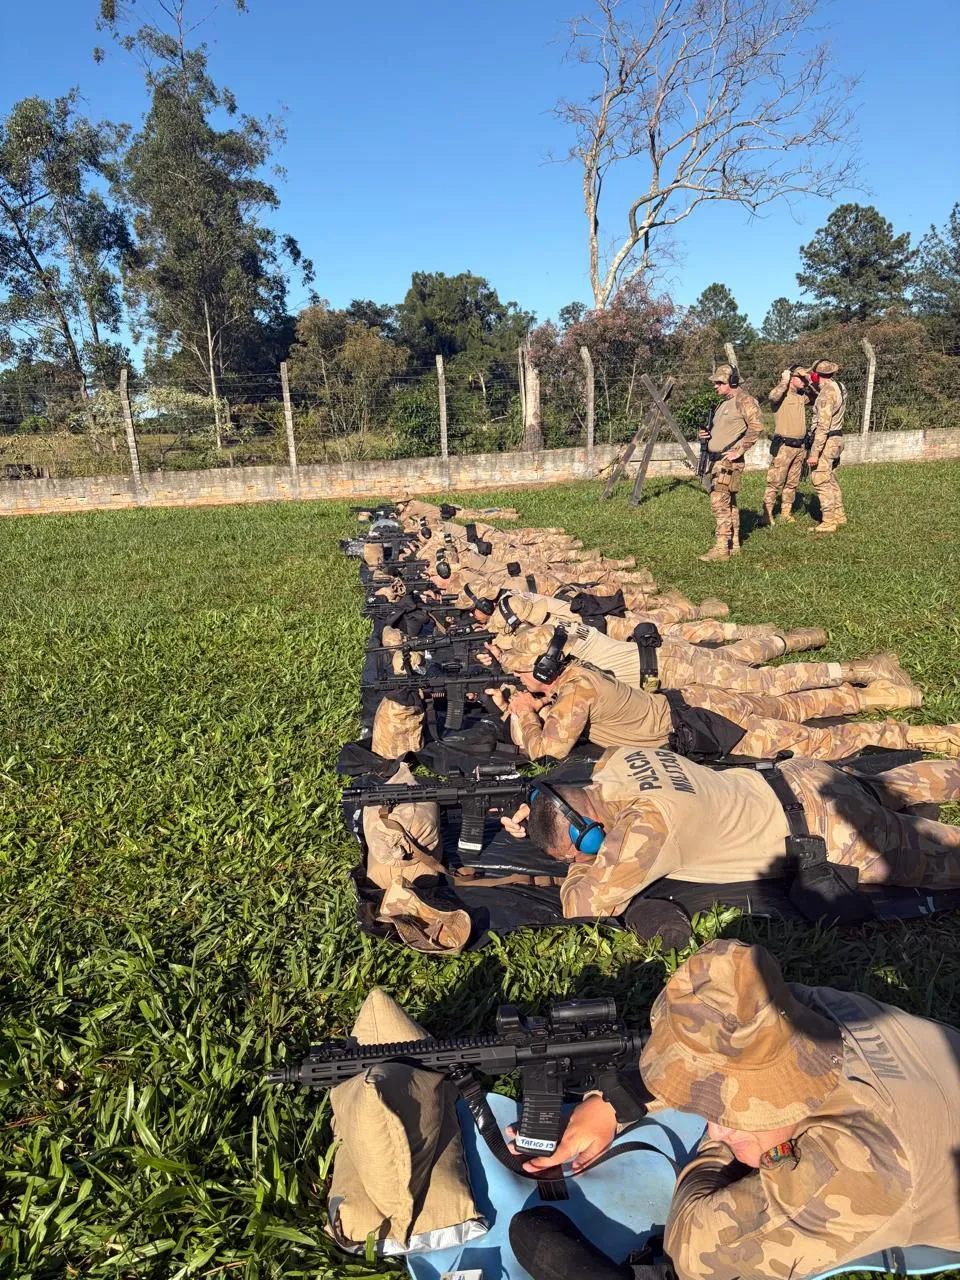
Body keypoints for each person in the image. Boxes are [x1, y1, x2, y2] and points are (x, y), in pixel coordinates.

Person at [508, 939, 960, 1280]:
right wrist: (610, 1104)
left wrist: (717, 1149)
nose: (714, 1126)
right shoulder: (810, 1011)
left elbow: (695, 1248)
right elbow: (724, 1048)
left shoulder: (859, 1167)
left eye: (732, 1111)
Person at [499, 744, 960, 918]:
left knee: (940, 855)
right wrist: (541, 812)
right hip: (803, 775)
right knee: (893, 784)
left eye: (581, 848)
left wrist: (576, 866)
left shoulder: (647, 828)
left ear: (592, 832)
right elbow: (572, 788)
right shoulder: (620, 759)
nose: (585, 855)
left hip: (830, 828)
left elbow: (584, 905)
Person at [484, 627, 957, 768]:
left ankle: (932, 736)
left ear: (543, 669)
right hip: (697, 701)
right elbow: (575, 705)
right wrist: (536, 704)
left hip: (706, 726)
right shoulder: (579, 676)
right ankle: (884, 693)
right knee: (794, 705)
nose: (522, 683)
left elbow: (548, 750)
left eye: (523, 675)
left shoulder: (574, 692)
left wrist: (523, 713)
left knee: (819, 743)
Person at [698, 365, 765, 562]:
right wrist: (706, 436)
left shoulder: (744, 401)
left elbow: (757, 426)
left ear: (733, 382)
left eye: (720, 382)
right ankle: (733, 544)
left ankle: (721, 549)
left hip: (727, 463)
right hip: (716, 459)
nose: (715, 386)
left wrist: (740, 450)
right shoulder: (723, 404)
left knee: (719, 502)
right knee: (729, 503)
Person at [762, 367, 812, 524]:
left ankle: (786, 512)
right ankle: (767, 515)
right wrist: (785, 380)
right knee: (775, 482)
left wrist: (809, 380)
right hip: (784, 447)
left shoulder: (801, 397)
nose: (804, 381)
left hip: (800, 447)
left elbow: (817, 395)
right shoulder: (781, 396)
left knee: (792, 483)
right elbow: (773, 396)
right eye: (800, 378)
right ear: (791, 378)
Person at [807, 358, 848, 534]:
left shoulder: (825, 394)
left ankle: (828, 521)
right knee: (831, 479)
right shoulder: (839, 386)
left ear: (817, 376)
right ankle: (839, 514)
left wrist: (814, 453)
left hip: (827, 441)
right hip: (838, 438)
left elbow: (823, 425)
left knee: (820, 479)